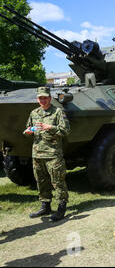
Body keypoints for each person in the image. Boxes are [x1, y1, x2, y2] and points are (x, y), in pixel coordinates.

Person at [24, 86, 70, 222]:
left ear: (50, 98)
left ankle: (61, 207)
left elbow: (66, 130)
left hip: (53, 154)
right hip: (37, 154)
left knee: (58, 181)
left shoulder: (58, 112)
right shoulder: (34, 113)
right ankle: (45, 206)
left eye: (45, 97)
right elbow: (28, 128)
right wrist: (28, 132)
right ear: (37, 99)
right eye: (40, 98)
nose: (43, 100)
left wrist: (50, 127)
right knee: (41, 181)